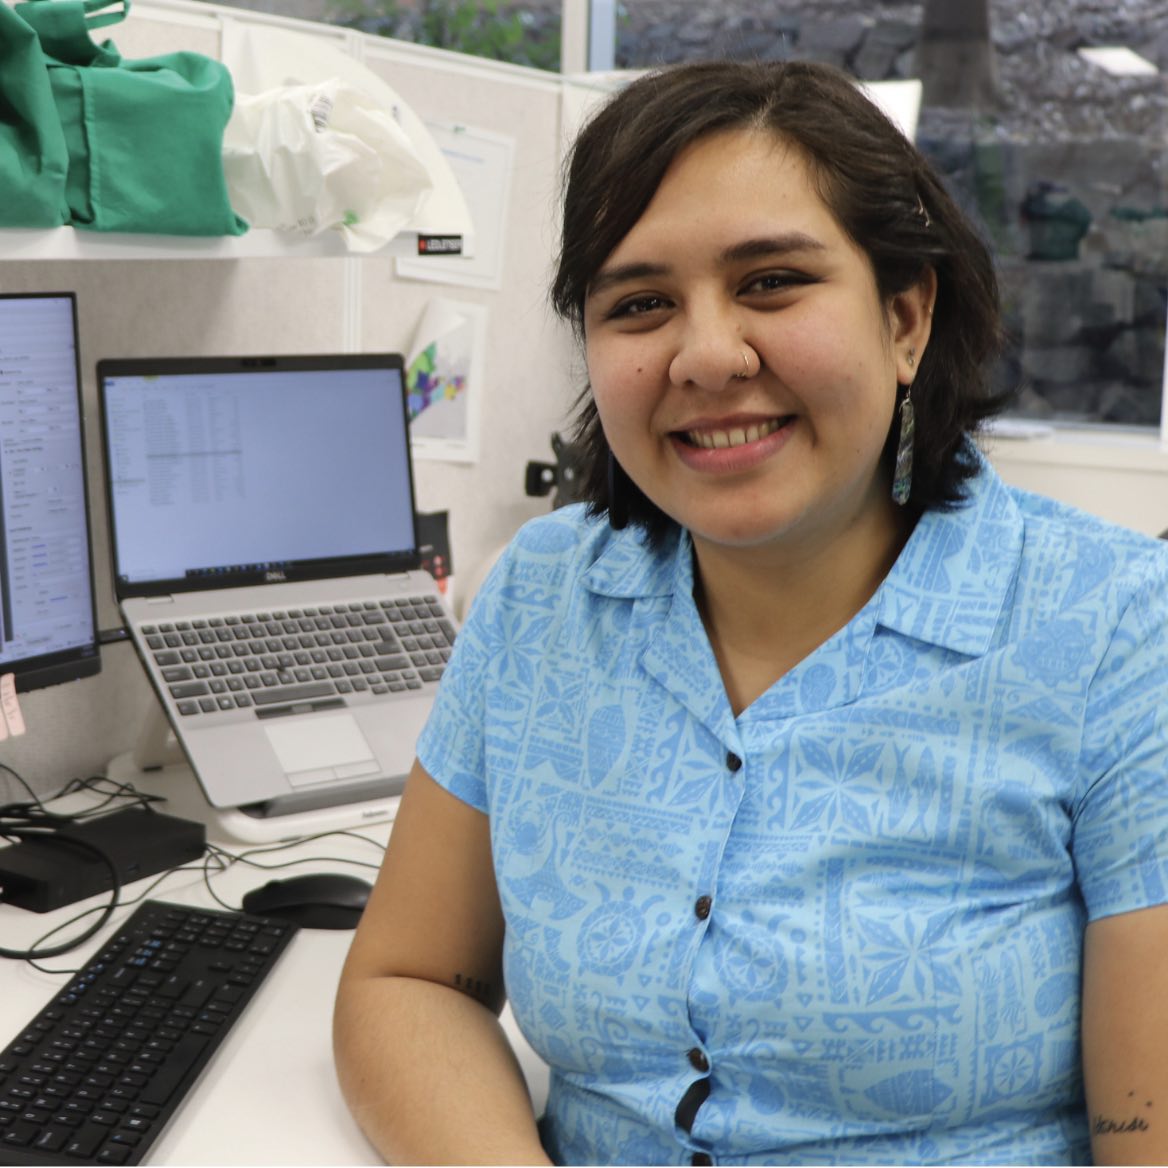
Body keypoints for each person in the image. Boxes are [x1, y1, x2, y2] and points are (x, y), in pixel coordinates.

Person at [333, 59, 1168, 1166]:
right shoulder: (541, 595)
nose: (706, 354)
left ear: (905, 314)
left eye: (771, 281)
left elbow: (1144, 1136)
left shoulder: (1113, 627)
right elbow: (409, 979)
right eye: (639, 304)